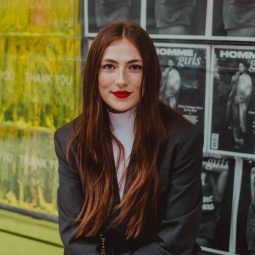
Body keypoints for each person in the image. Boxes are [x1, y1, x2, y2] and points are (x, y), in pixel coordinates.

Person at [54, 21, 203, 255]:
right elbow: (75, 236)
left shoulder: (183, 139)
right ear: (94, 73)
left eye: (134, 67)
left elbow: (176, 239)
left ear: (150, 73)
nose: (121, 80)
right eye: (109, 66)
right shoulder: (69, 140)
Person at [225, 61, 253, 149]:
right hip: (234, 103)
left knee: (238, 122)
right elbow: (232, 89)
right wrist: (234, 81)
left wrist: (240, 99)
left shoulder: (247, 78)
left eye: (241, 66)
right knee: (234, 121)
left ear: (245, 67)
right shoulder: (238, 77)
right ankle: (235, 139)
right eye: (239, 66)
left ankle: (240, 141)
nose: (239, 68)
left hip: (240, 104)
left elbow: (248, 92)